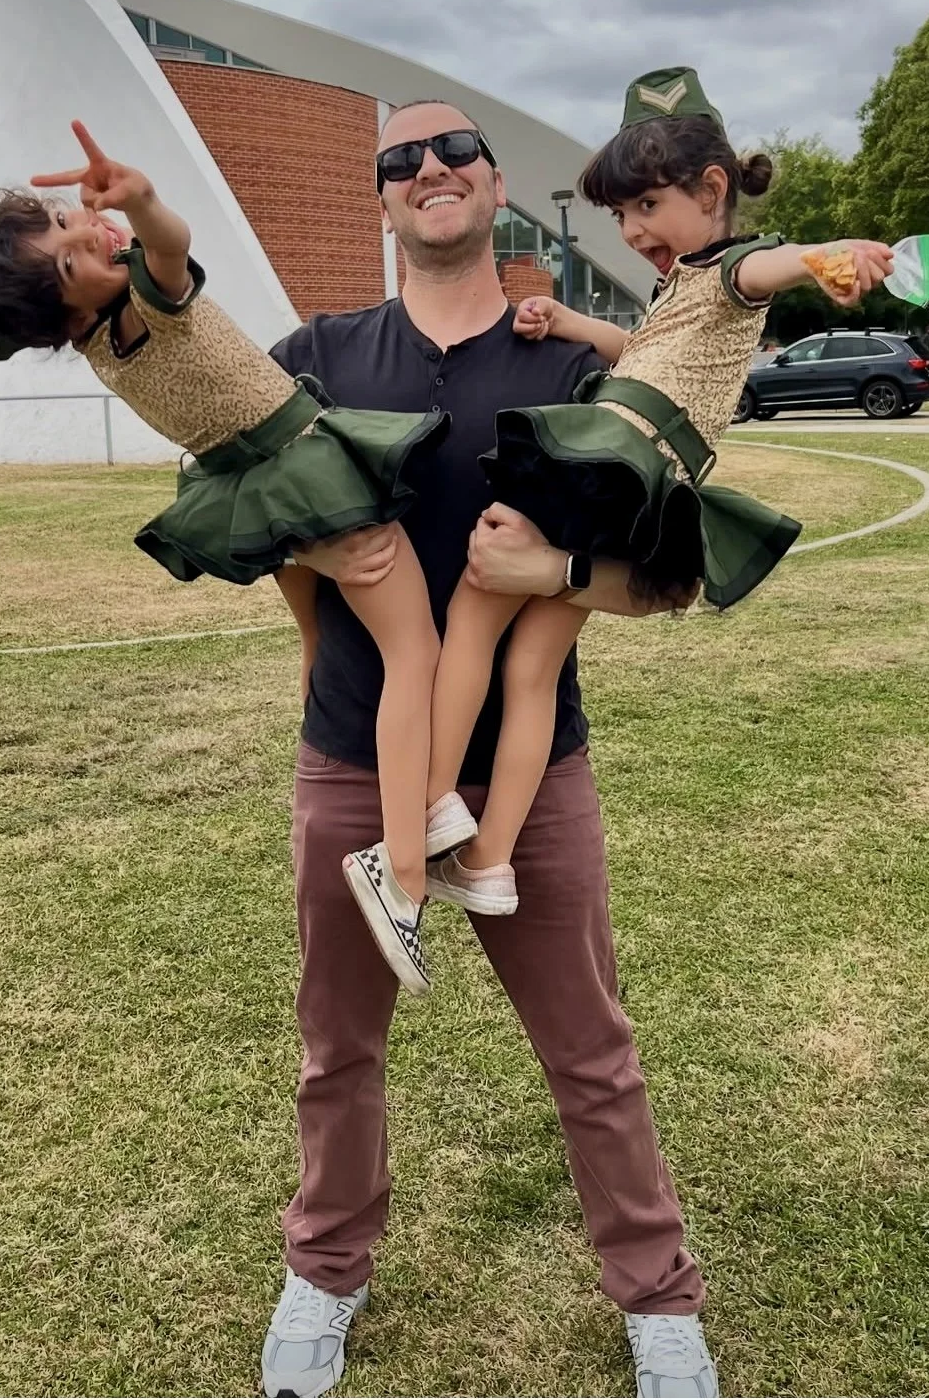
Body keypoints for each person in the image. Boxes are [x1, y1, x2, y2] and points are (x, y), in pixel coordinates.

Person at [260, 97, 719, 1399]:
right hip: (353, 765)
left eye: (453, 149)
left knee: (591, 1051)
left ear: (495, 184)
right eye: (400, 159)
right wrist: (314, 552)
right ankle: (323, 1266)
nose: (430, 169)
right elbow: (248, 519)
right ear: (383, 200)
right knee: (334, 1047)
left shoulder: (568, 366)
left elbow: (663, 579)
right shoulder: (319, 352)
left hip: (534, 771)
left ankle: (657, 1300)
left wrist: (559, 565)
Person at [0, 123, 470, 997]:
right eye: (72, 259)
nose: (90, 235)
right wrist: (137, 201)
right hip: (302, 468)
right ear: (71, 314)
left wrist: (109, 218)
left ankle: (351, 804)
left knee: (325, 647)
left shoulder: (107, 342)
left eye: (70, 220)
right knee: (416, 649)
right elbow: (172, 248)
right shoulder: (149, 300)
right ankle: (403, 864)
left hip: (251, 490)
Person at [420, 68, 891, 910]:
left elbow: (766, 266)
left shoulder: (731, 269)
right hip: (644, 486)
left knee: (475, 602)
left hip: (610, 456)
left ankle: (426, 809)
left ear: (712, 189)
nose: (633, 230)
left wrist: (827, 258)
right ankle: (488, 863)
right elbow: (643, 348)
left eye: (646, 207)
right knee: (531, 665)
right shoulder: (689, 285)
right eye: (622, 214)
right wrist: (569, 323)